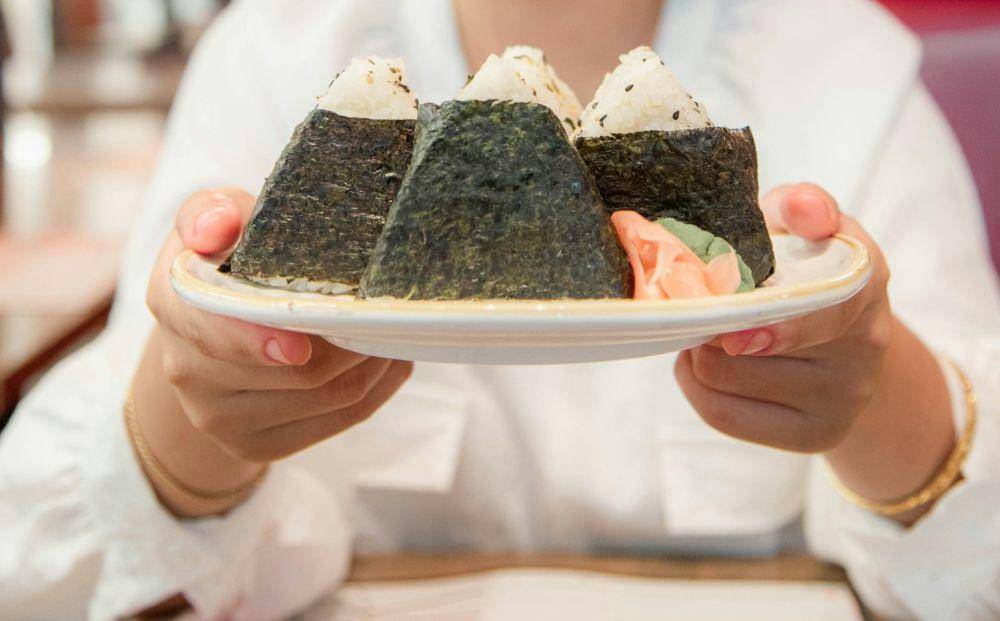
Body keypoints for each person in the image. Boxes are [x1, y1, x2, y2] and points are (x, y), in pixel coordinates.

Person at [2, 0, 998, 619]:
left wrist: (874, 387)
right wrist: (195, 423)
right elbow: (41, 571)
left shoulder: (845, 62)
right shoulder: (272, 47)